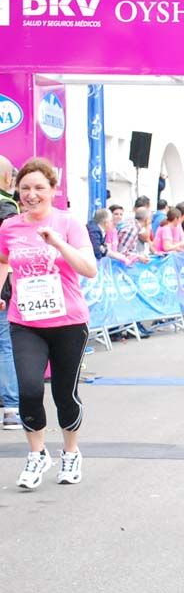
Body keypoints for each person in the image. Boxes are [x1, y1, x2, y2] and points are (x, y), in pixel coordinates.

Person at [0, 158, 98, 489]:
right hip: (25, 321)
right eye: (25, 188)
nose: (32, 194)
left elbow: (89, 268)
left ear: (53, 190)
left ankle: (70, 452)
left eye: (39, 188)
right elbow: (3, 259)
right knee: (28, 389)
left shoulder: (69, 224)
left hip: (68, 322)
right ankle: (37, 453)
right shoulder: (9, 226)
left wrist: (56, 242)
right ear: (17, 190)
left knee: (63, 394)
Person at [0, 154, 21, 429]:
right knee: (5, 346)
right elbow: (7, 256)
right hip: (3, 288)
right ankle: (12, 408)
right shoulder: (7, 207)